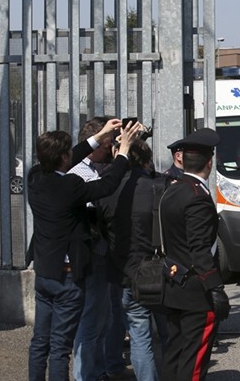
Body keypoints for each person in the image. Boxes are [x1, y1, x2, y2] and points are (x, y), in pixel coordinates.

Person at [27, 119, 140, 381]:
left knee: (39, 341)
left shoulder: (35, 177)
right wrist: (122, 152)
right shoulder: (70, 186)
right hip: (67, 278)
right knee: (59, 347)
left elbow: (66, 158)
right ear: (64, 157)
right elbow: (107, 185)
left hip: (44, 273)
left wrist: (99, 136)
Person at [160, 128, 231, 380]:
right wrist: (215, 287)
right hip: (195, 289)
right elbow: (199, 248)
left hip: (175, 282)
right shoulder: (196, 196)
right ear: (209, 162)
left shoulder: (173, 189)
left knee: (175, 353)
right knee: (194, 360)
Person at [69, 117, 133, 381]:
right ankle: (87, 375)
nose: (110, 150)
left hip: (100, 254)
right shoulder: (77, 173)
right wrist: (124, 156)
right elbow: (102, 196)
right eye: (107, 145)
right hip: (89, 255)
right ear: (95, 145)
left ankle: (96, 371)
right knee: (90, 322)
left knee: (101, 319)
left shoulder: (94, 167)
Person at [96, 139, 159, 381]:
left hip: (118, 269)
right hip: (151, 269)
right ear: (145, 160)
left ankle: (112, 365)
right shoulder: (155, 188)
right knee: (147, 334)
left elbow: (101, 228)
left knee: (119, 320)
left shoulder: (105, 190)